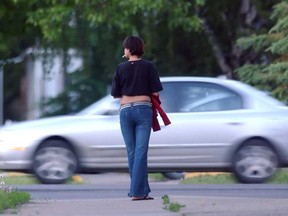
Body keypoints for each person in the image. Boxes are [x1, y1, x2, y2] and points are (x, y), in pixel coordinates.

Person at [111, 35, 163, 201]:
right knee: (141, 151)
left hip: (125, 111)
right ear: (140, 49)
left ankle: (140, 190)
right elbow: (155, 92)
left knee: (132, 152)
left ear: (128, 50)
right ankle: (138, 192)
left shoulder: (120, 68)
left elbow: (115, 94)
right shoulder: (149, 67)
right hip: (143, 110)